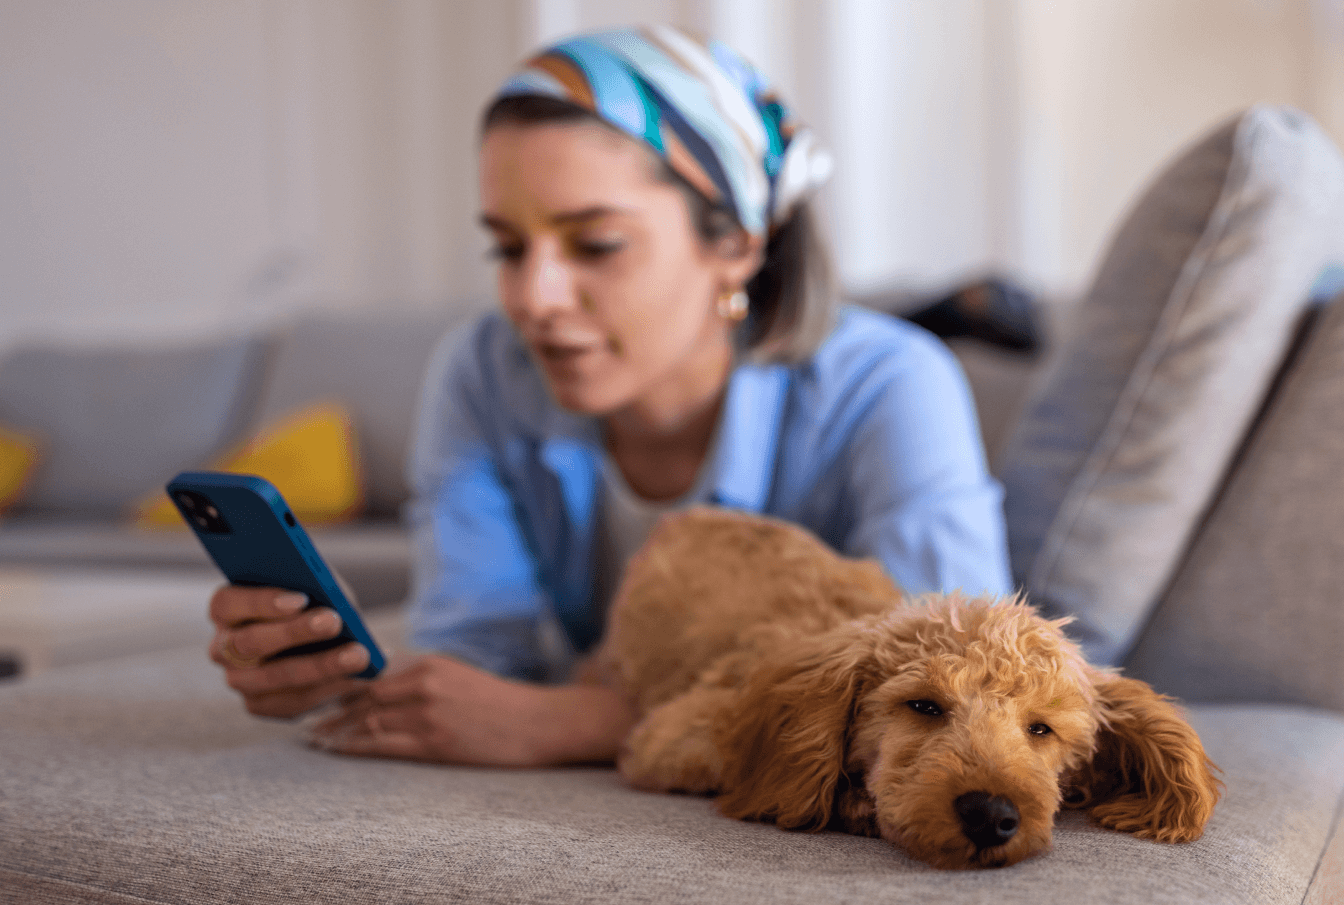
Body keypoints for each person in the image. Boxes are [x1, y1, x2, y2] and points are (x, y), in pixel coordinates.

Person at [205, 25, 1011, 767]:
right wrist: (344, 668)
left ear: (734, 243)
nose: (533, 297)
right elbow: (484, 653)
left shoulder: (891, 383)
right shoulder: (483, 372)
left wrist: (585, 721)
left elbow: (953, 683)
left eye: (595, 244)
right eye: (508, 246)